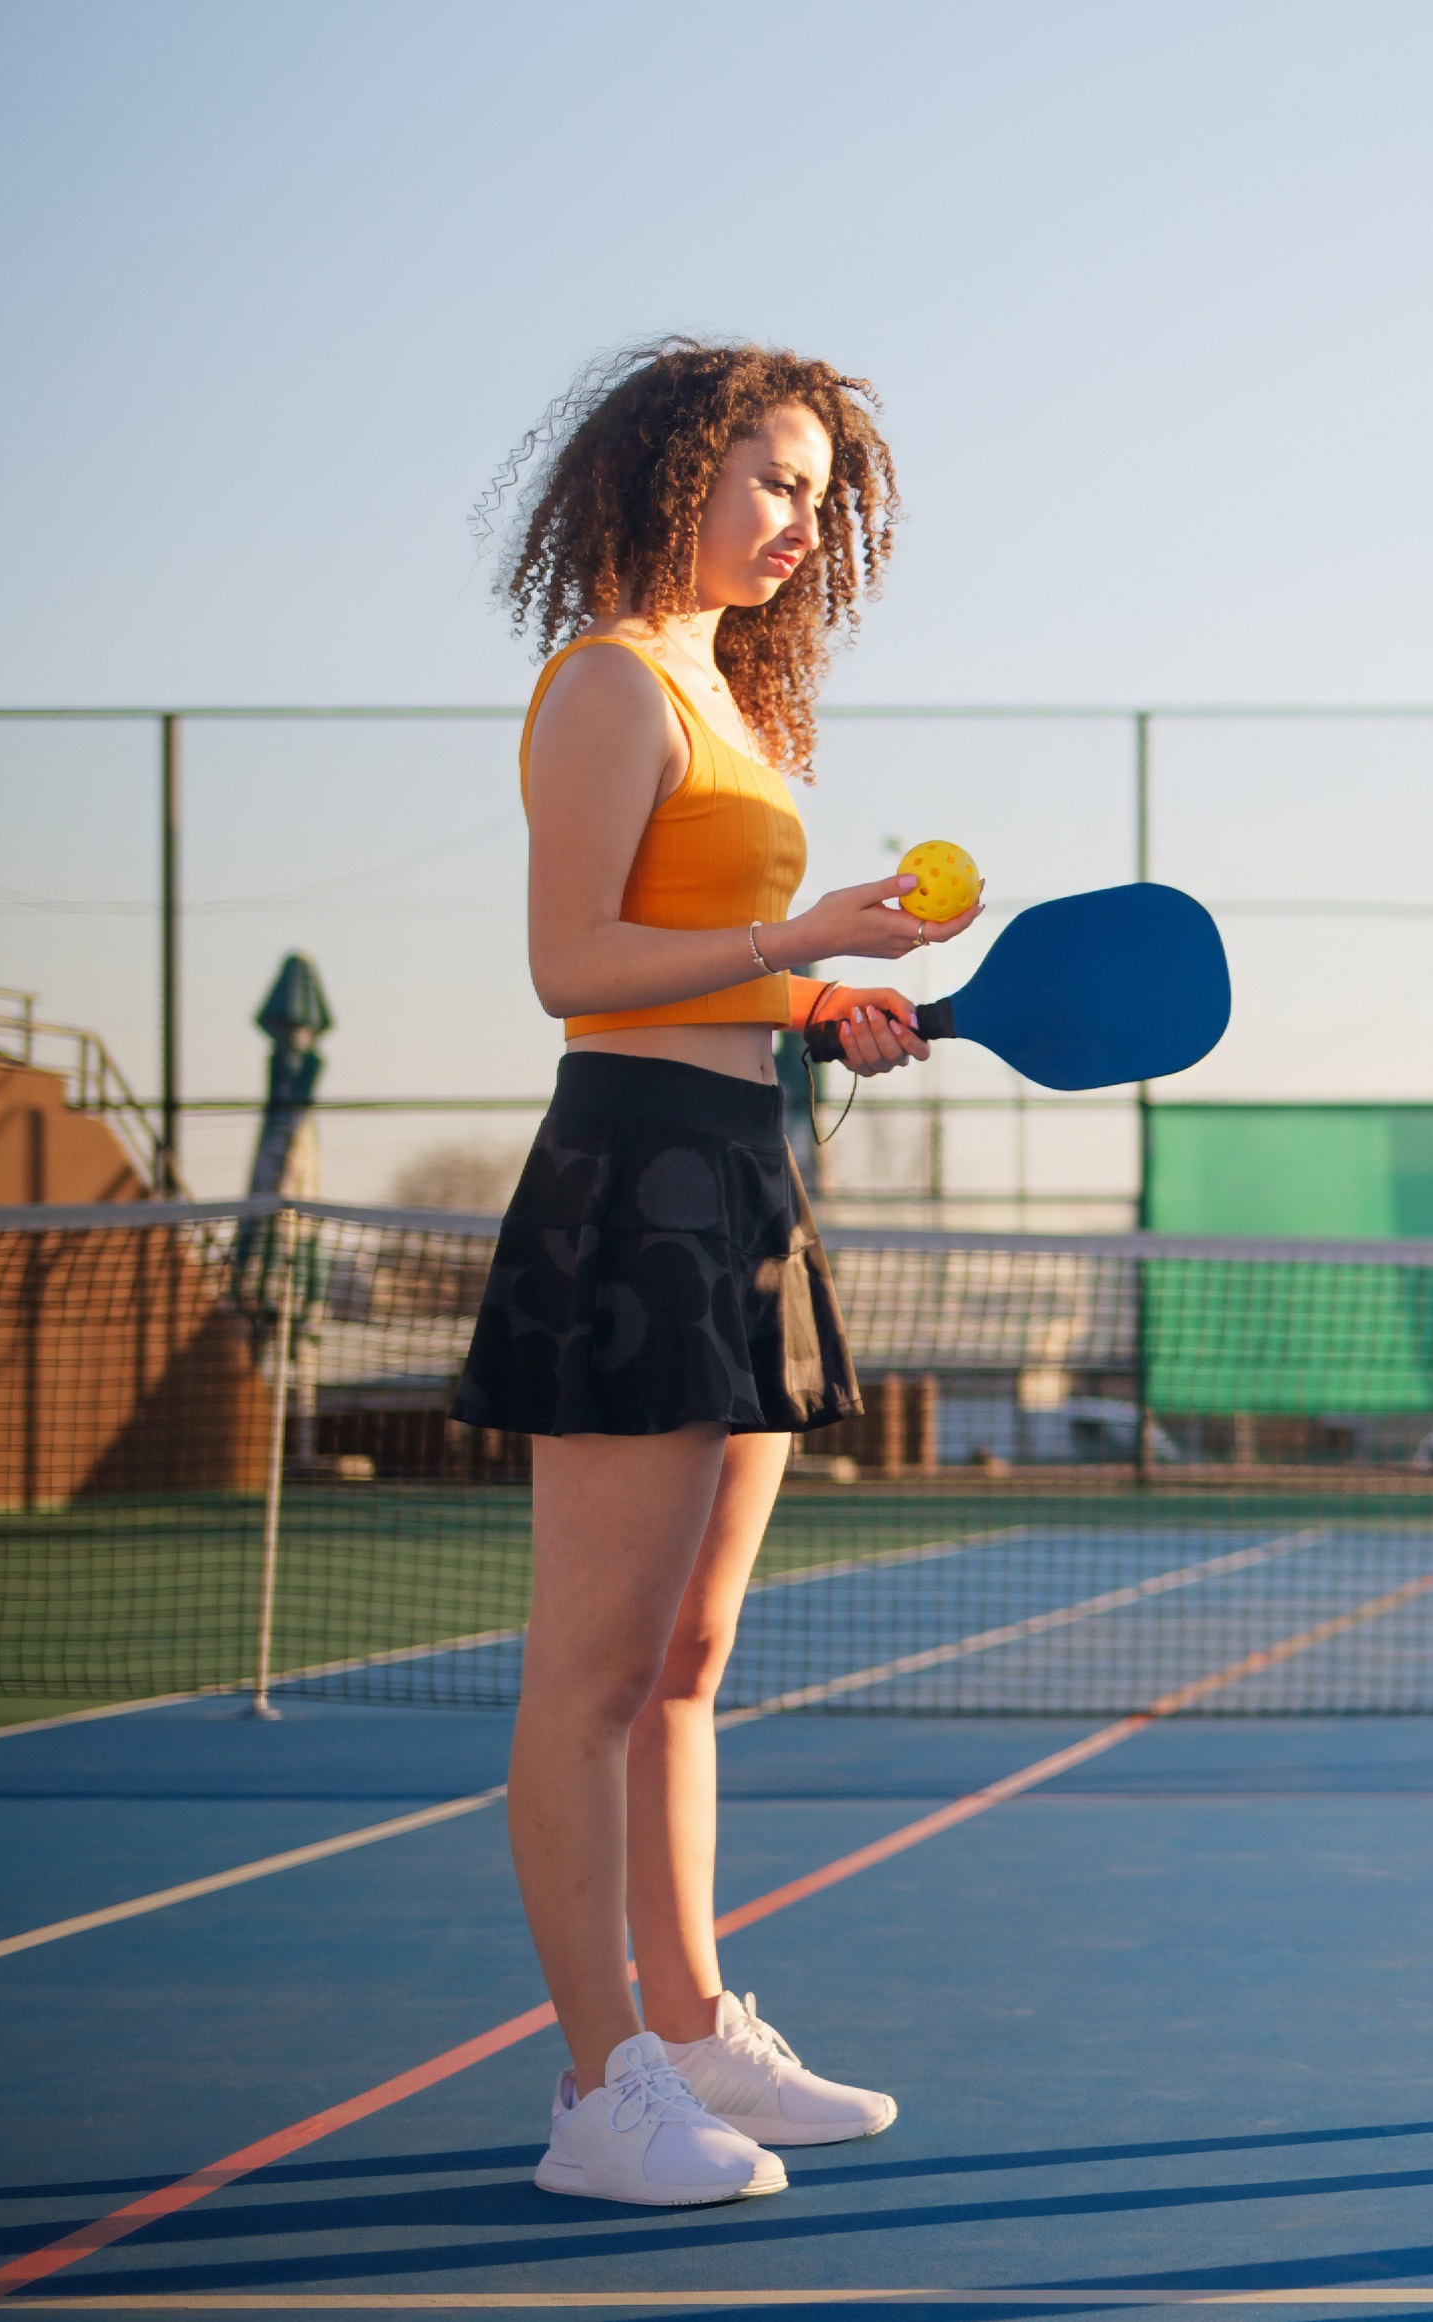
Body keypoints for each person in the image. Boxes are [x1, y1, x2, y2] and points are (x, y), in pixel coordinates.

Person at [456, 339, 967, 2207]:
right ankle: (599, 2089)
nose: (797, 519)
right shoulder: (608, 681)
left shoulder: (726, 698)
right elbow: (571, 965)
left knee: (689, 1657)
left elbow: (714, 965)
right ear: (672, 473)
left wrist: (824, 997)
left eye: (820, 492)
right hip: (634, 1179)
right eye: (769, 478)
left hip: (749, 1164)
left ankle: (690, 2026)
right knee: (589, 1672)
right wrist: (800, 930)